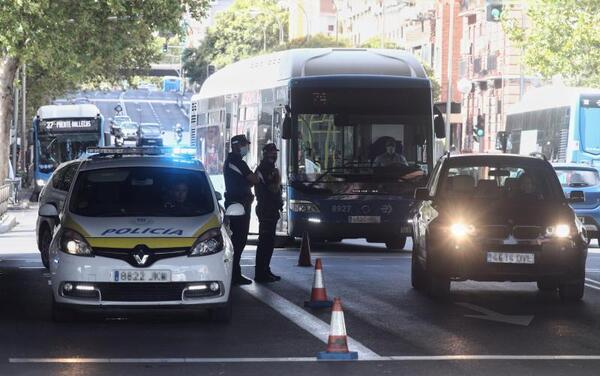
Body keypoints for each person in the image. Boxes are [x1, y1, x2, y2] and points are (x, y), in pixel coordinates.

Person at [223, 134, 259, 285]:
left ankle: (234, 272)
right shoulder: (237, 162)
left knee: (238, 239)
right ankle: (234, 274)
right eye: (244, 145)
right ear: (236, 145)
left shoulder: (231, 162)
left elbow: (247, 182)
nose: (246, 147)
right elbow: (254, 180)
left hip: (237, 203)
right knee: (239, 239)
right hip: (239, 205)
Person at [254, 143, 284, 283]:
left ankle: (265, 270)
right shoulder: (265, 170)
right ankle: (261, 273)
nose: (274, 155)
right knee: (265, 243)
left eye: (275, 153)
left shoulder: (271, 169)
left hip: (271, 209)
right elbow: (272, 189)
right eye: (271, 153)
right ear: (265, 154)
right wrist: (277, 180)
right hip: (266, 209)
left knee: (269, 243)